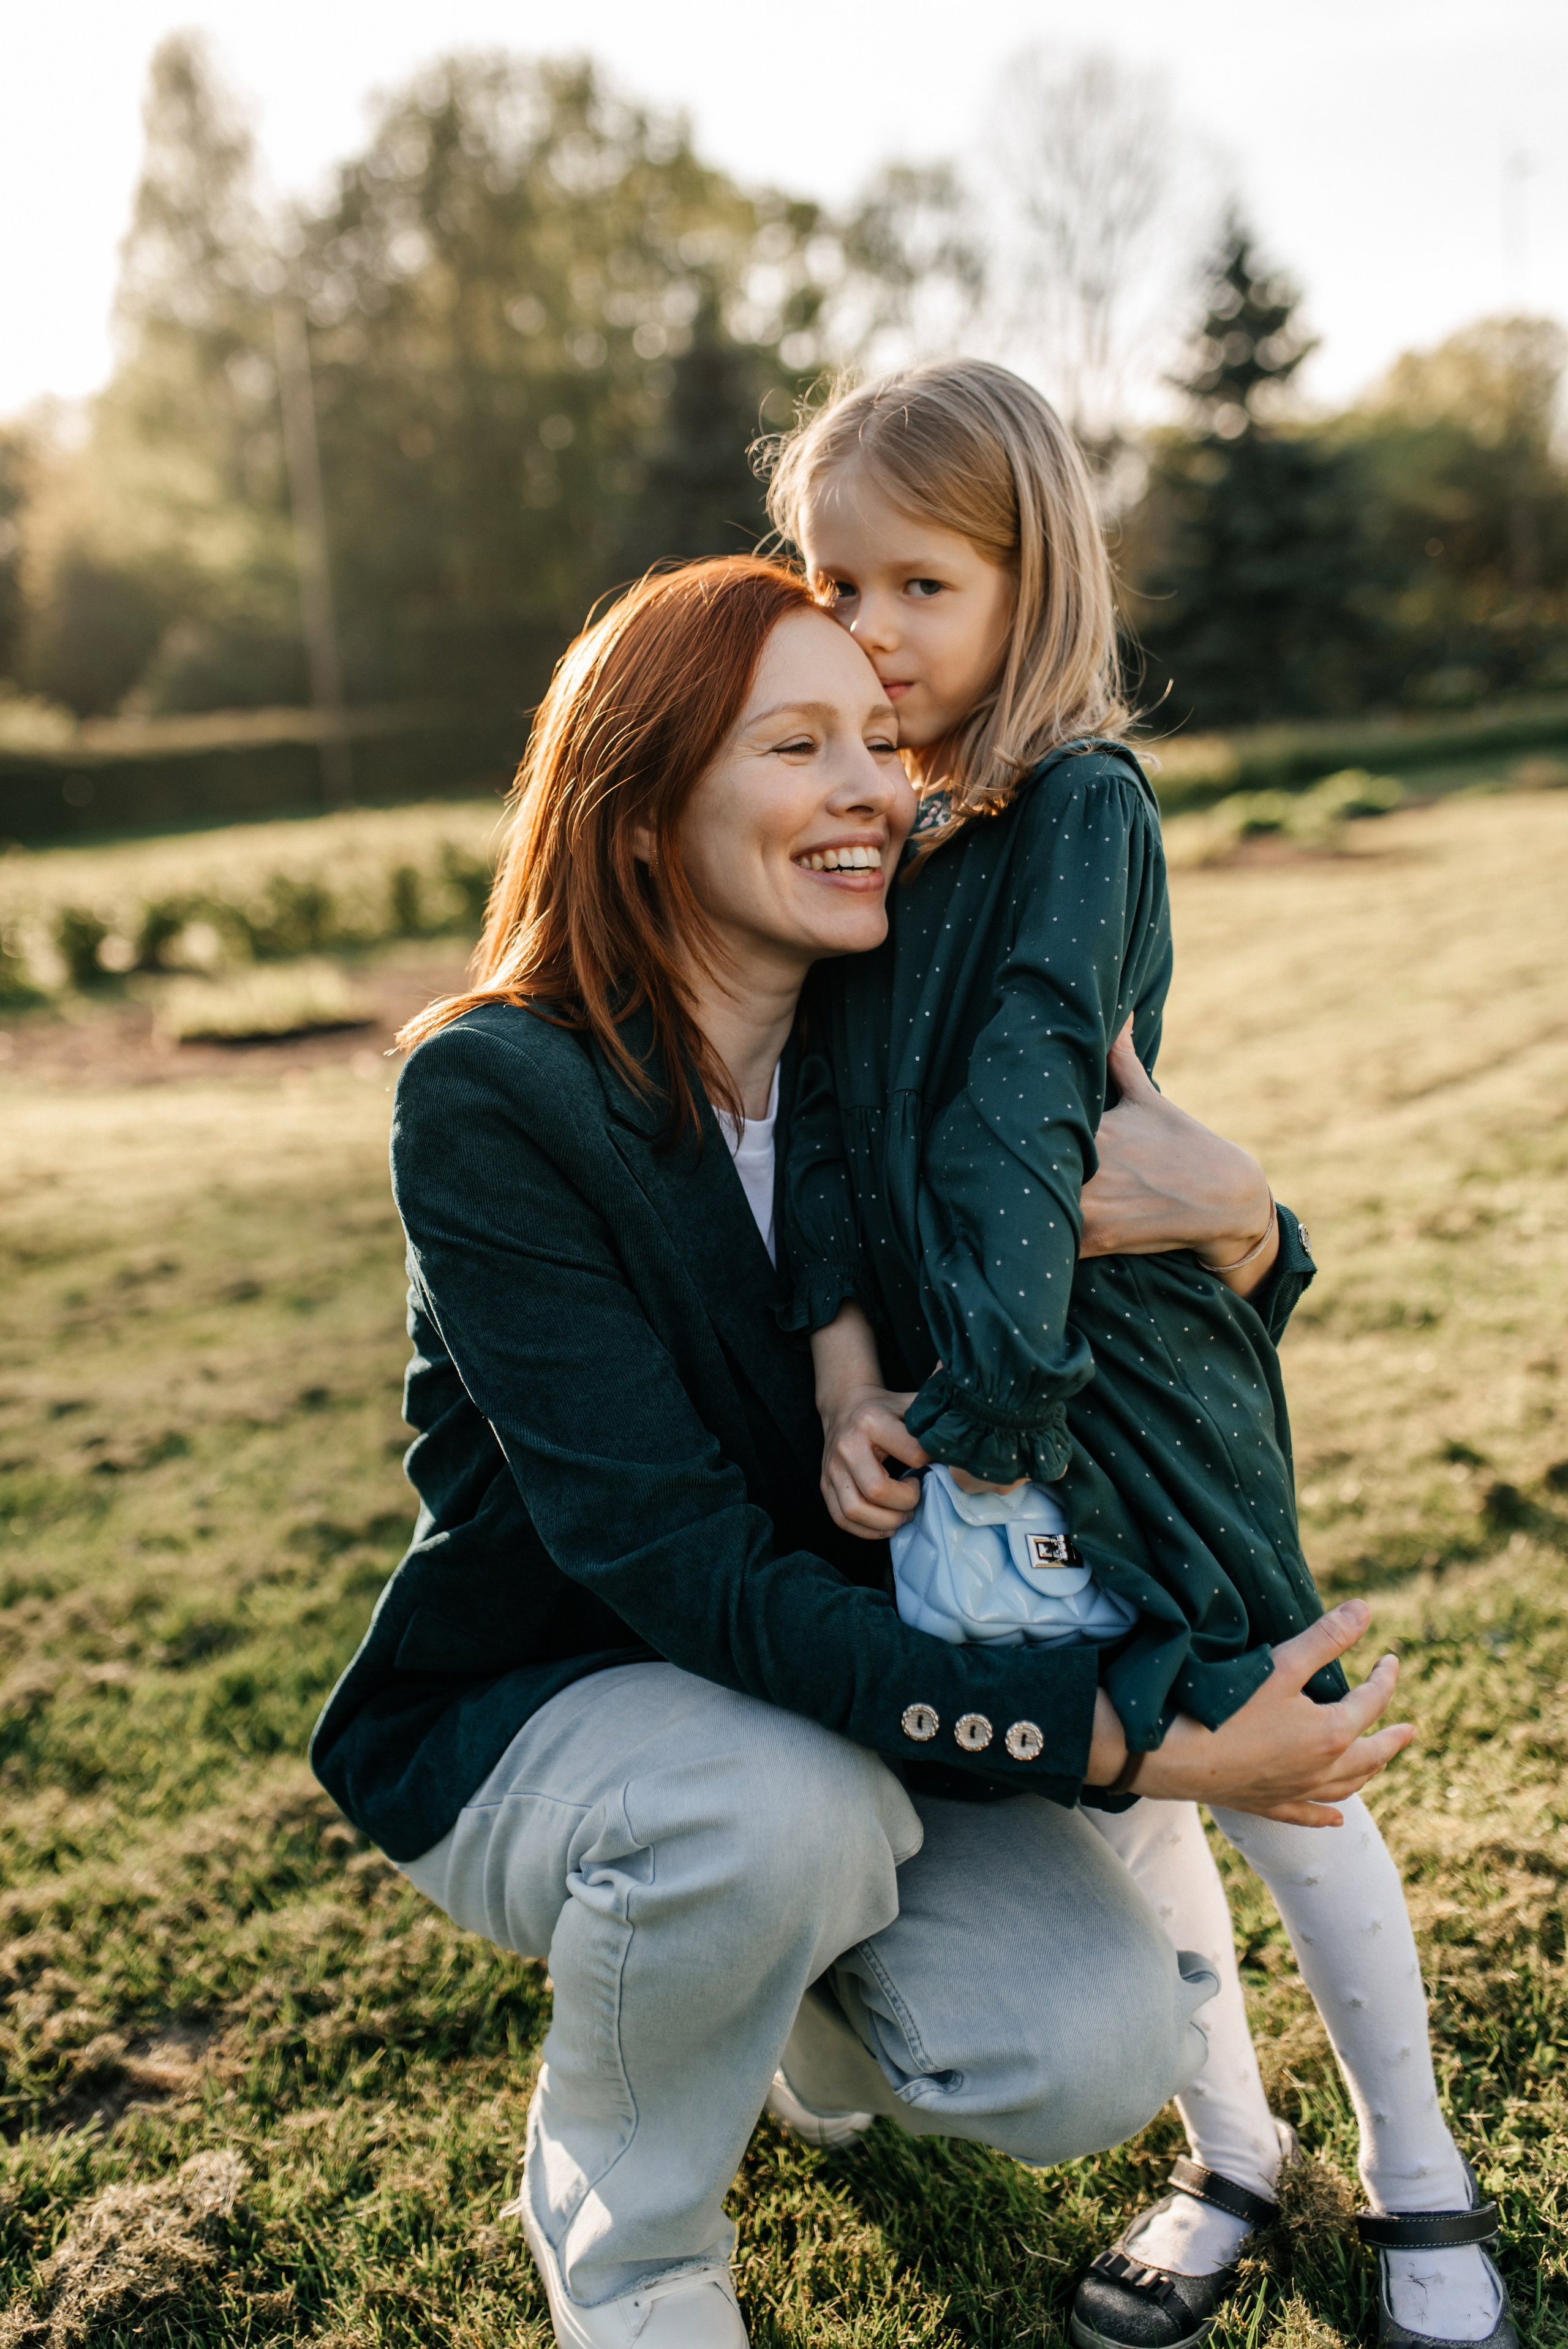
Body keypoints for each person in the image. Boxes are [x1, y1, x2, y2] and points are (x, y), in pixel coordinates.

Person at [310, 556, 1409, 2349]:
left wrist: (1248, 1234)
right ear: (646, 812)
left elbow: (1103, 1334)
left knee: (1089, 2045)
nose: (873, 792)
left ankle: (769, 2012)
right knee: (770, 1811)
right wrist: (1140, 1740)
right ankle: (626, 2222)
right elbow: (672, 1564)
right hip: (566, 1703)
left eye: (882, 743)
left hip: (846, 1719)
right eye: (797, 745)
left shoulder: (897, 1067)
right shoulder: (495, 1097)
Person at [766, 361, 1513, 2349]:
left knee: (1289, 1761)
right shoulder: (871, 828)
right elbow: (831, 1130)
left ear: (1034, 585)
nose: (867, 628)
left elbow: (1029, 1095)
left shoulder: (1076, 809)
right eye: (831, 582)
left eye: (919, 583)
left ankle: (1420, 2173)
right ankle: (1232, 2152)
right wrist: (853, 1371)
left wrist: (993, 1405)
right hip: (953, 1404)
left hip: (1137, 1393)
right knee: (1136, 1786)